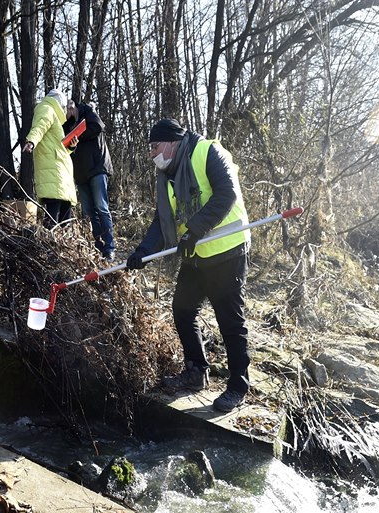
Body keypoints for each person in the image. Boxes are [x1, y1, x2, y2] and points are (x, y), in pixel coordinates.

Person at [125, 118, 251, 413]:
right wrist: (142, 251)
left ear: (171, 142)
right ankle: (196, 372)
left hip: (227, 251)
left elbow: (226, 194)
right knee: (182, 310)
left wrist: (194, 229)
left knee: (230, 321)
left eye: (154, 146)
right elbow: (162, 219)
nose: (151, 153)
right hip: (195, 255)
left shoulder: (207, 152)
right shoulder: (166, 176)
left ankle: (237, 387)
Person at [63, 99, 116, 260]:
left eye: (65, 111)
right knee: (89, 211)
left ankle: (109, 247)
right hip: (80, 173)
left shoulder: (88, 112)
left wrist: (77, 136)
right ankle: (98, 247)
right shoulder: (66, 125)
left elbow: (98, 127)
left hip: (97, 167)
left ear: (71, 107)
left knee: (101, 207)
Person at [23, 89, 76, 228]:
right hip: (53, 169)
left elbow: (58, 147)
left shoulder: (54, 117)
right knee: (54, 207)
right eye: (64, 106)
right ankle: (49, 244)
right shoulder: (47, 109)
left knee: (65, 208)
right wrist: (31, 141)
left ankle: (64, 244)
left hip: (59, 169)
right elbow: (39, 127)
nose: (65, 110)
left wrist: (71, 146)